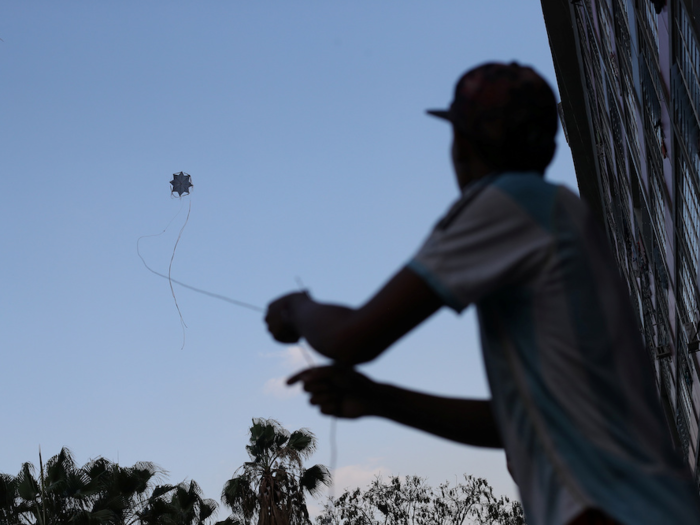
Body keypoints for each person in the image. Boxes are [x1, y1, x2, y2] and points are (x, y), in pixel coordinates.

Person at [264, 62, 700, 525]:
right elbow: (520, 424)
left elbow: (351, 339)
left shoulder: (507, 202)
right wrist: (380, 400)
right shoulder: (556, 212)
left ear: (465, 145)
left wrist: (297, 307)